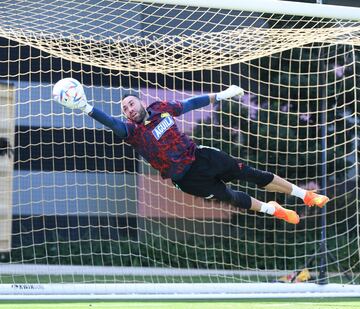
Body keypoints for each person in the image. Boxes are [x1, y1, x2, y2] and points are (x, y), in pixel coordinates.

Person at [54, 79, 329, 224]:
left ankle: (304, 195)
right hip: (186, 179)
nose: (128, 109)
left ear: (140, 102)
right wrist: (87, 108)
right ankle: (273, 210)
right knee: (232, 197)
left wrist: (220, 95)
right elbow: (111, 122)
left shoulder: (161, 108)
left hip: (202, 156)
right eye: (125, 108)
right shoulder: (131, 133)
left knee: (250, 173)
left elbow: (190, 103)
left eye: (131, 103)